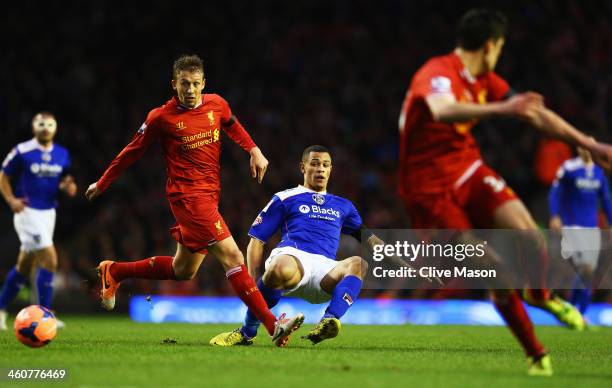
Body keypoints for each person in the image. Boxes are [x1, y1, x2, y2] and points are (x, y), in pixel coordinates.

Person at [397, 9, 612, 376]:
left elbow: (535, 114)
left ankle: (539, 295)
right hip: (428, 189)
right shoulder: (437, 73)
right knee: (494, 270)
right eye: (500, 47)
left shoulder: (485, 79)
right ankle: (536, 354)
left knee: (531, 235)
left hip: (466, 167)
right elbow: (442, 109)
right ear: (491, 45)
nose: (499, 55)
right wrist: (502, 108)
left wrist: (588, 142)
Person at [85, 54, 303, 347]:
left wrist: (253, 149)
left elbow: (232, 123)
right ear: (174, 84)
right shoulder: (160, 118)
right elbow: (132, 151)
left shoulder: (216, 104)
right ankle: (272, 324)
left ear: (204, 84)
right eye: (184, 84)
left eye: (195, 84)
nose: (190, 90)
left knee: (183, 270)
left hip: (210, 195)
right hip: (187, 197)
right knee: (234, 257)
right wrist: (103, 182)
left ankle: (115, 270)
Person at [210, 145, 379, 346]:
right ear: (303, 167)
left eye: (326, 165)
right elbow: (256, 240)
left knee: (359, 263)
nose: (321, 169)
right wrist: (255, 285)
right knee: (280, 268)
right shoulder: (285, 198)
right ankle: (247, 332)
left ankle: (328, 321)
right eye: (315, 164)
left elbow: (372, 241)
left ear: (331, 169)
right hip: (292, 257)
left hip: (324, 269)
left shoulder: (344, 206)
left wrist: (406, 264)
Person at [0, 112, 77, 330]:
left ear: (56, 127)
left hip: (48, 213)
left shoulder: (62, 154)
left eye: (50, 124)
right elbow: (3, 175)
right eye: (41, 124)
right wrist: (10, 200)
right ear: (34, 127)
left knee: (25, 266)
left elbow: (64, 180)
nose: (45, 128)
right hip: (27, 213)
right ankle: (45, 314)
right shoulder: (22, 151)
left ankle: (0, 308)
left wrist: (67, 186)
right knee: (50, 259)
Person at [549, 147, 612, 315]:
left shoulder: (599, 172)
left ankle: (577, 312)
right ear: (578, 148)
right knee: (585, 269)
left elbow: (605, 200)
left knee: (588, 272)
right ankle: (573, 309)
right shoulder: (569, 168)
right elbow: (555, 192)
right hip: (572, 226)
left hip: (592, 228)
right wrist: (555, 215)